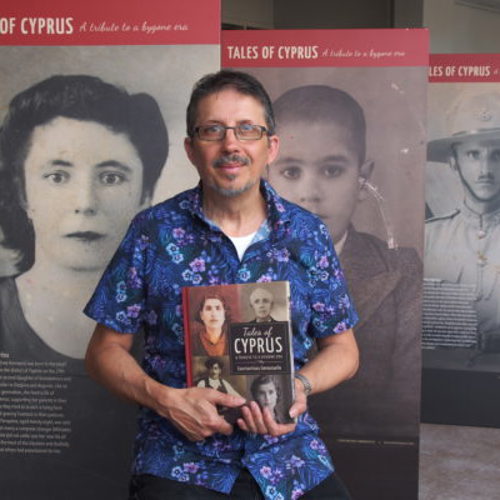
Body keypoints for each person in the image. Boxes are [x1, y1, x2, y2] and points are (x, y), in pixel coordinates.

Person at [84, 70, 359, 500]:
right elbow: (103, 352)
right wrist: (165, 400)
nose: (231, 144)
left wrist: (298, 388)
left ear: (270, 147)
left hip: (288, 453)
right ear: (192, 150)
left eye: (247, 129)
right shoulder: (152, 232)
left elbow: (344, 350)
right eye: (214, 130)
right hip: (180, 459)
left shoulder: (308, 234)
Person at [0, 74, 168, 498]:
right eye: (57, 176)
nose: (85, 202)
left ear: (145, 192)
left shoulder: (183, 316)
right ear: (23, 192)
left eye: (111, 177)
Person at [269, 85, 422, 438]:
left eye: (332, 170)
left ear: (362, 178)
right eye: (291, 172)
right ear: (266, 174)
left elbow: (404, 404)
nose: (311, 192)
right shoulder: (234, 261)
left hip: (367, 456)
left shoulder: (400, 271)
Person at [425, 90, 500, 347]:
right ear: (453, 162)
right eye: (473, 155)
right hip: (443, 377)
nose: (485, 170)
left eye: (497, 155)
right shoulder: (428, 238)